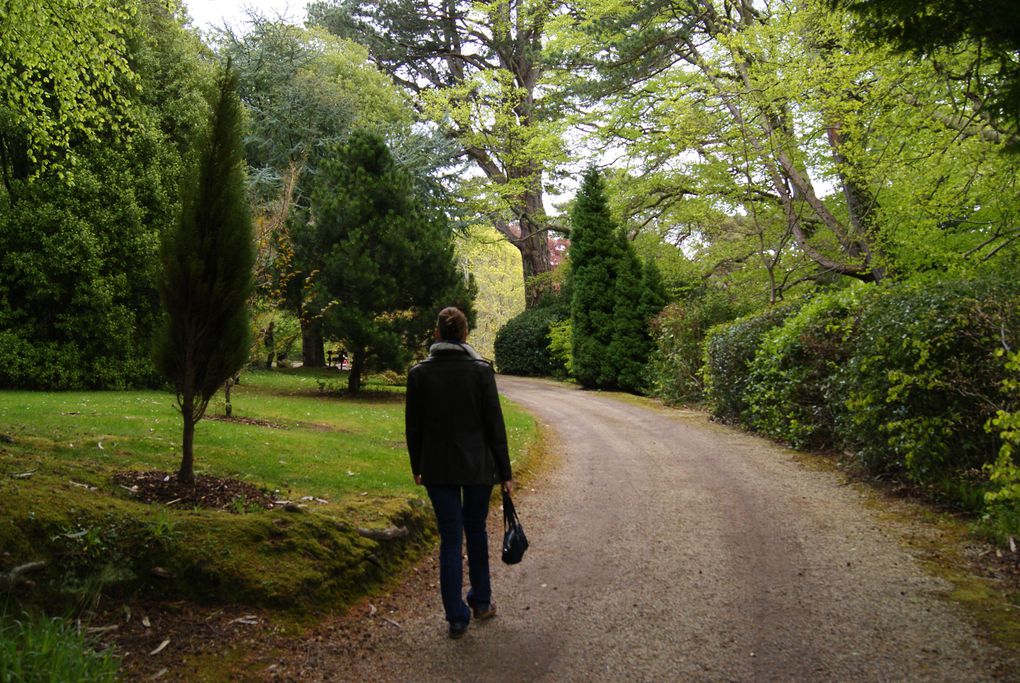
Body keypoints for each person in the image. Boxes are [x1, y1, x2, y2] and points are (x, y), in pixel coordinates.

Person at [405, 306, 513, 639]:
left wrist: (417, 466)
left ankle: (456, 616)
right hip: (478, 465)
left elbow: (414, 428)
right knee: (476, 530)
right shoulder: (481, 371)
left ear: (437, 334)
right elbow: (495, 426)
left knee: (450, 538)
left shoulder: (419, 374)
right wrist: (505, 472)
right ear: (465, 335)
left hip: (437, 467)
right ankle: (481, 601)